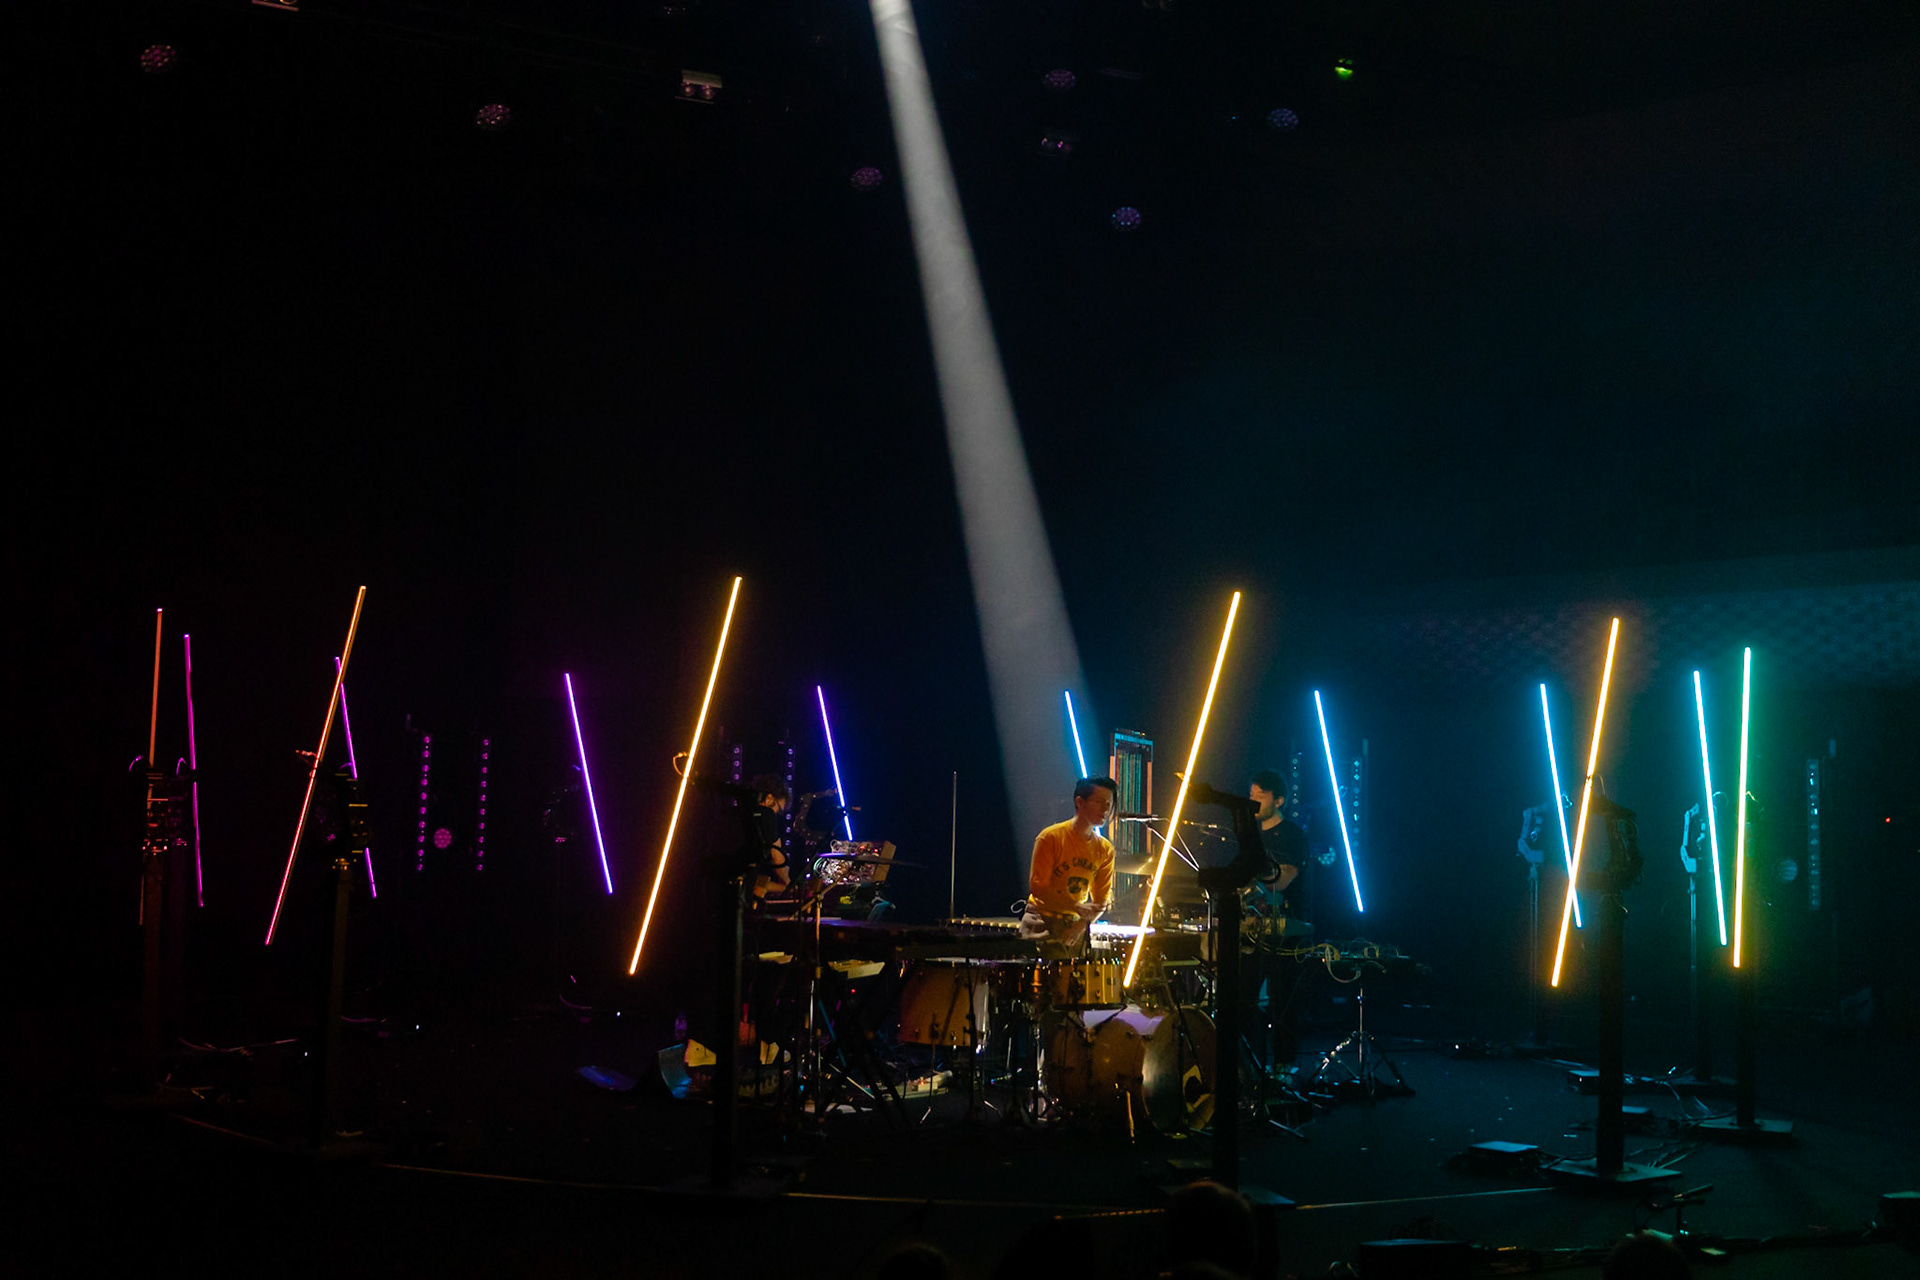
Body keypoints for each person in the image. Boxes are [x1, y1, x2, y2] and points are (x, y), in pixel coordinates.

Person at [1245, 769, 1309, 1070]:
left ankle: (1283, 1069)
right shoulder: (1247, 832)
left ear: (1278, 800)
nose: (1253, 801)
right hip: (1250, 929)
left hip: (1287, 932)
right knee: (1244, 1001)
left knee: (1283, 1002)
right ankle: (1247, 1067)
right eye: (1251, 796)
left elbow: (1279, 883)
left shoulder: (1294, 835)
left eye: (1260, 797)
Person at [1018, 776, 1118, 946]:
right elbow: (1038, 887)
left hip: (1074, 924)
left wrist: (1079, 927)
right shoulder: (1051, 837)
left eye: (1109, 803)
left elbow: (1101, 900)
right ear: (1080, 802)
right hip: (1041, 921)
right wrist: (1076, 906)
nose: (1106, 808)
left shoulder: (1105, 849)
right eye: (1099, 801)